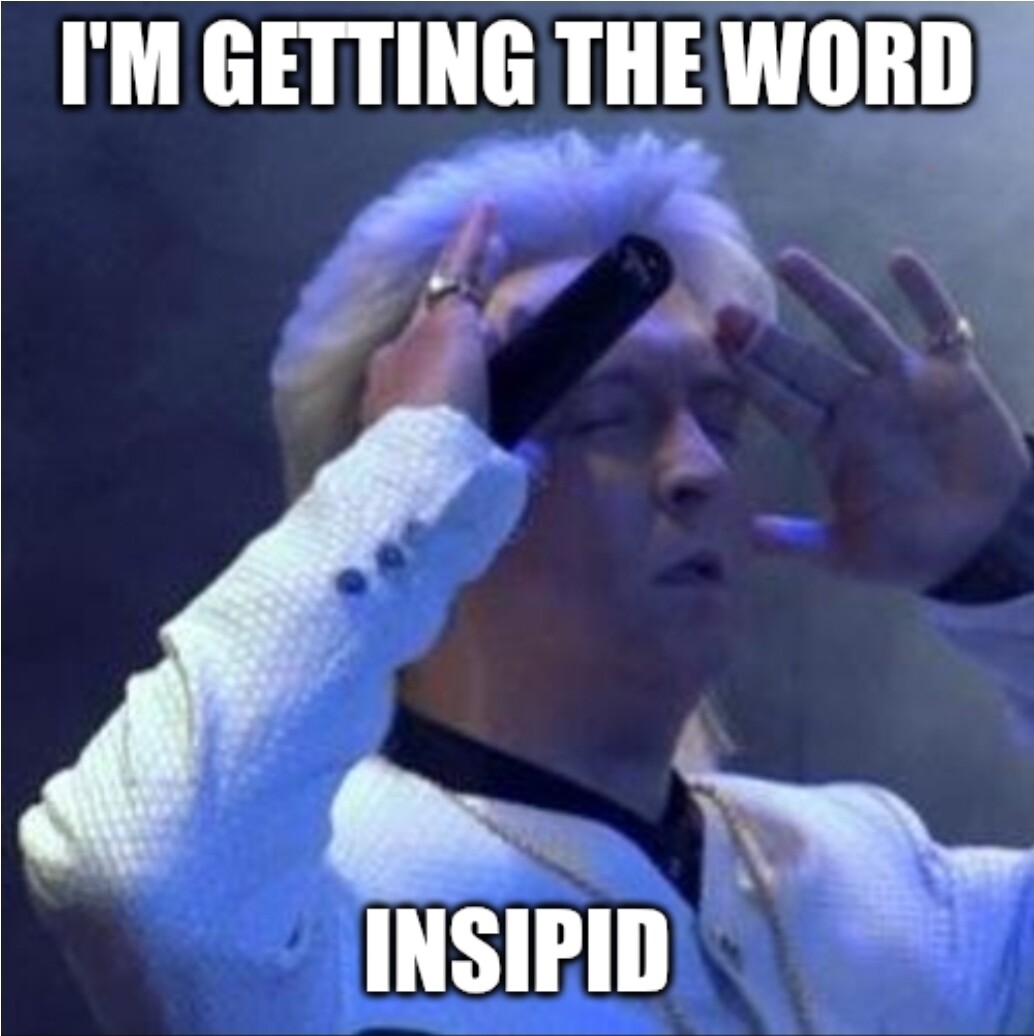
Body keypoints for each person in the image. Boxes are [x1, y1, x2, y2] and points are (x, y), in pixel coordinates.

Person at [19, 131, 1033, 1035]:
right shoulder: (310, 901)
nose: (698, 468)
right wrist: (407, 467)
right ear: (435, 479)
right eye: (602, 415)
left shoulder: (871, 867)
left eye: (721, 416)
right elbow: (132, 872)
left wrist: (1006, 562)